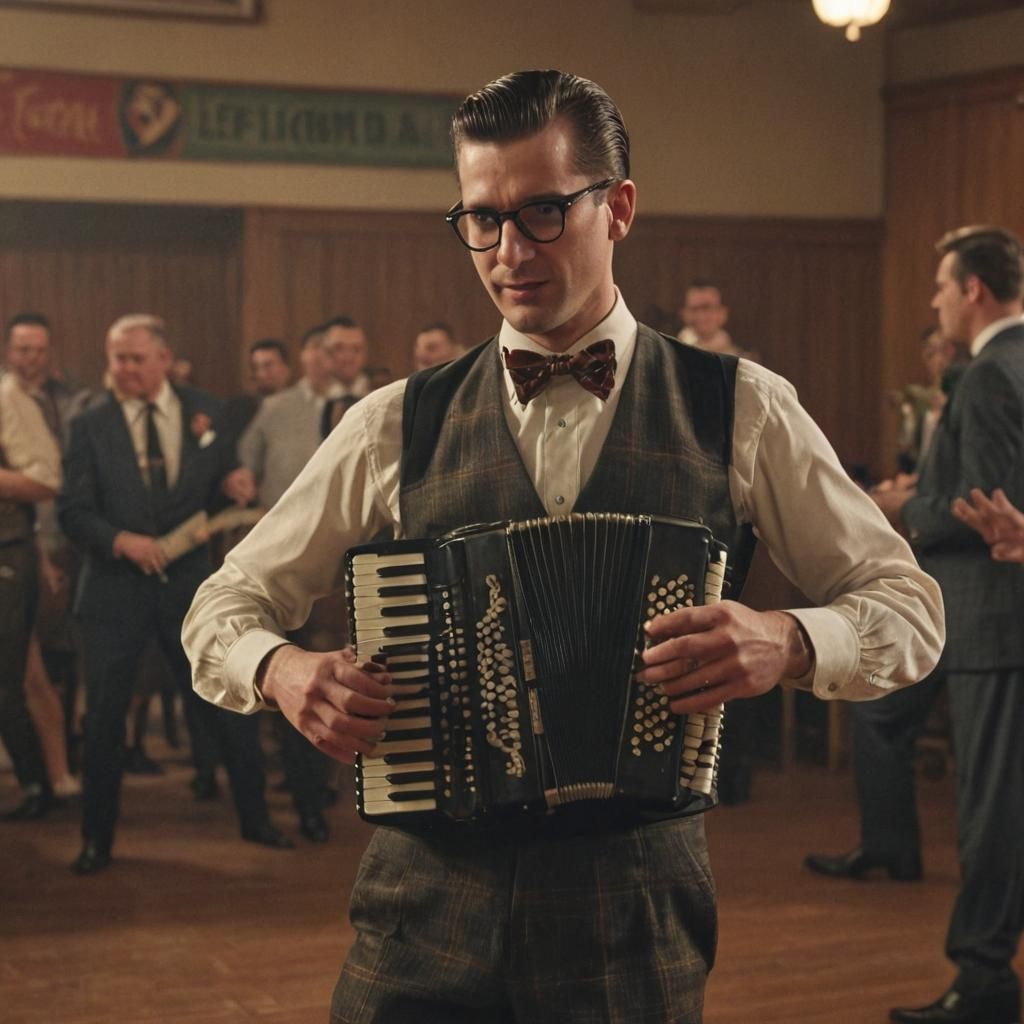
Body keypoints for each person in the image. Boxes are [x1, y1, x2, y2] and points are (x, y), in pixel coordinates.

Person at [184, 70, 944, 1023]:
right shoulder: (392, 422)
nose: (509, 252)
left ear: (617, 208)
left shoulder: (741, 407)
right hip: (423, 909)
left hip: (633, 916)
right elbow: (224, 604)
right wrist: (281, 669)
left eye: (542, 212)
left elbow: (910, 609)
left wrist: (789, 640)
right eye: (482, 218)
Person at [59, 314, 292, 875]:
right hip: (113, 592)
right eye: (117, 359)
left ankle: (256, 819)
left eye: (135, 359)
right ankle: (96, 840)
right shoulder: (89, 424)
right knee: (105, 720)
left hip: (189, 589)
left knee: (229, 704)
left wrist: (234, 482)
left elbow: (220, 483)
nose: (124, 369)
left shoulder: (205, 411)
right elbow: (72, 511)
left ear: (164, 359)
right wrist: (120, 541)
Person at [870, 225, 1024, 1024]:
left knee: (990, 809)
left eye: (940, 287)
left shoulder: (992, 372)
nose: (934, 302)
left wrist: (907, 509)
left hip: (995, 619)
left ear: (973, 290)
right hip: (1002, 617)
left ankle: (985, 979)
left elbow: (988, 504)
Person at [0, 369, 61, 821]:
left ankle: (38, 786)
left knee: (8, 682)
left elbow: (45, 481)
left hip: (7, 550)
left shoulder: (7, 397)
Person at [320, 316, 371, 437]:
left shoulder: (381, 397)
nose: (348, 357)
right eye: (339, 348)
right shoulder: (301, 403)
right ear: (324, 352)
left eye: (356, 349)